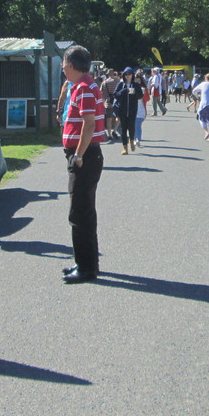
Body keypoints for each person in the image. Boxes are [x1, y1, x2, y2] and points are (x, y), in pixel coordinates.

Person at [61, 45, 104, 284]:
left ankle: (87, 268)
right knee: (83, 212)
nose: (63, 68)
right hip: (85, 155)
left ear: (71, 64)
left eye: (64, 64)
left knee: (80, 213)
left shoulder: (84, 88)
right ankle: (84, 262)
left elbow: (88, 125)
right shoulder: (83, 86)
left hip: (84, 157)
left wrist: (77, 155)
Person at [113, 66, 142, 154]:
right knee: (123, 129)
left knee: (131, 127)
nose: (128, 76)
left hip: (132, 110)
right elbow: (115, 94)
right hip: (122, 110)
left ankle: (131, 141)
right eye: (126, 74)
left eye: (129, 74)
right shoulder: (121, 84)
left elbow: (140, 95)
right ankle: (125, 147)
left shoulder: (136, 84)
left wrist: (134, 92)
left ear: (132, 75)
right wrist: (124, 91)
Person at [194, 72, 209, 141]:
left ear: (206, 78)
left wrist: (197, 97)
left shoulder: (203, 84)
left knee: (201, 118)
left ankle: (206, 132)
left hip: (203, 104)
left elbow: (194, 91)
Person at [101, 69, 120, 142]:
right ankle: (114, 130)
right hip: (116, 102)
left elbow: (101, 92)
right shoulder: (117, 82)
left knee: (108, 119)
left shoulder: (104, 82)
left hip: (107, 103)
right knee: (118, 117)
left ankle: (109, 134)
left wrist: (103, 102)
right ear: (113, 74)